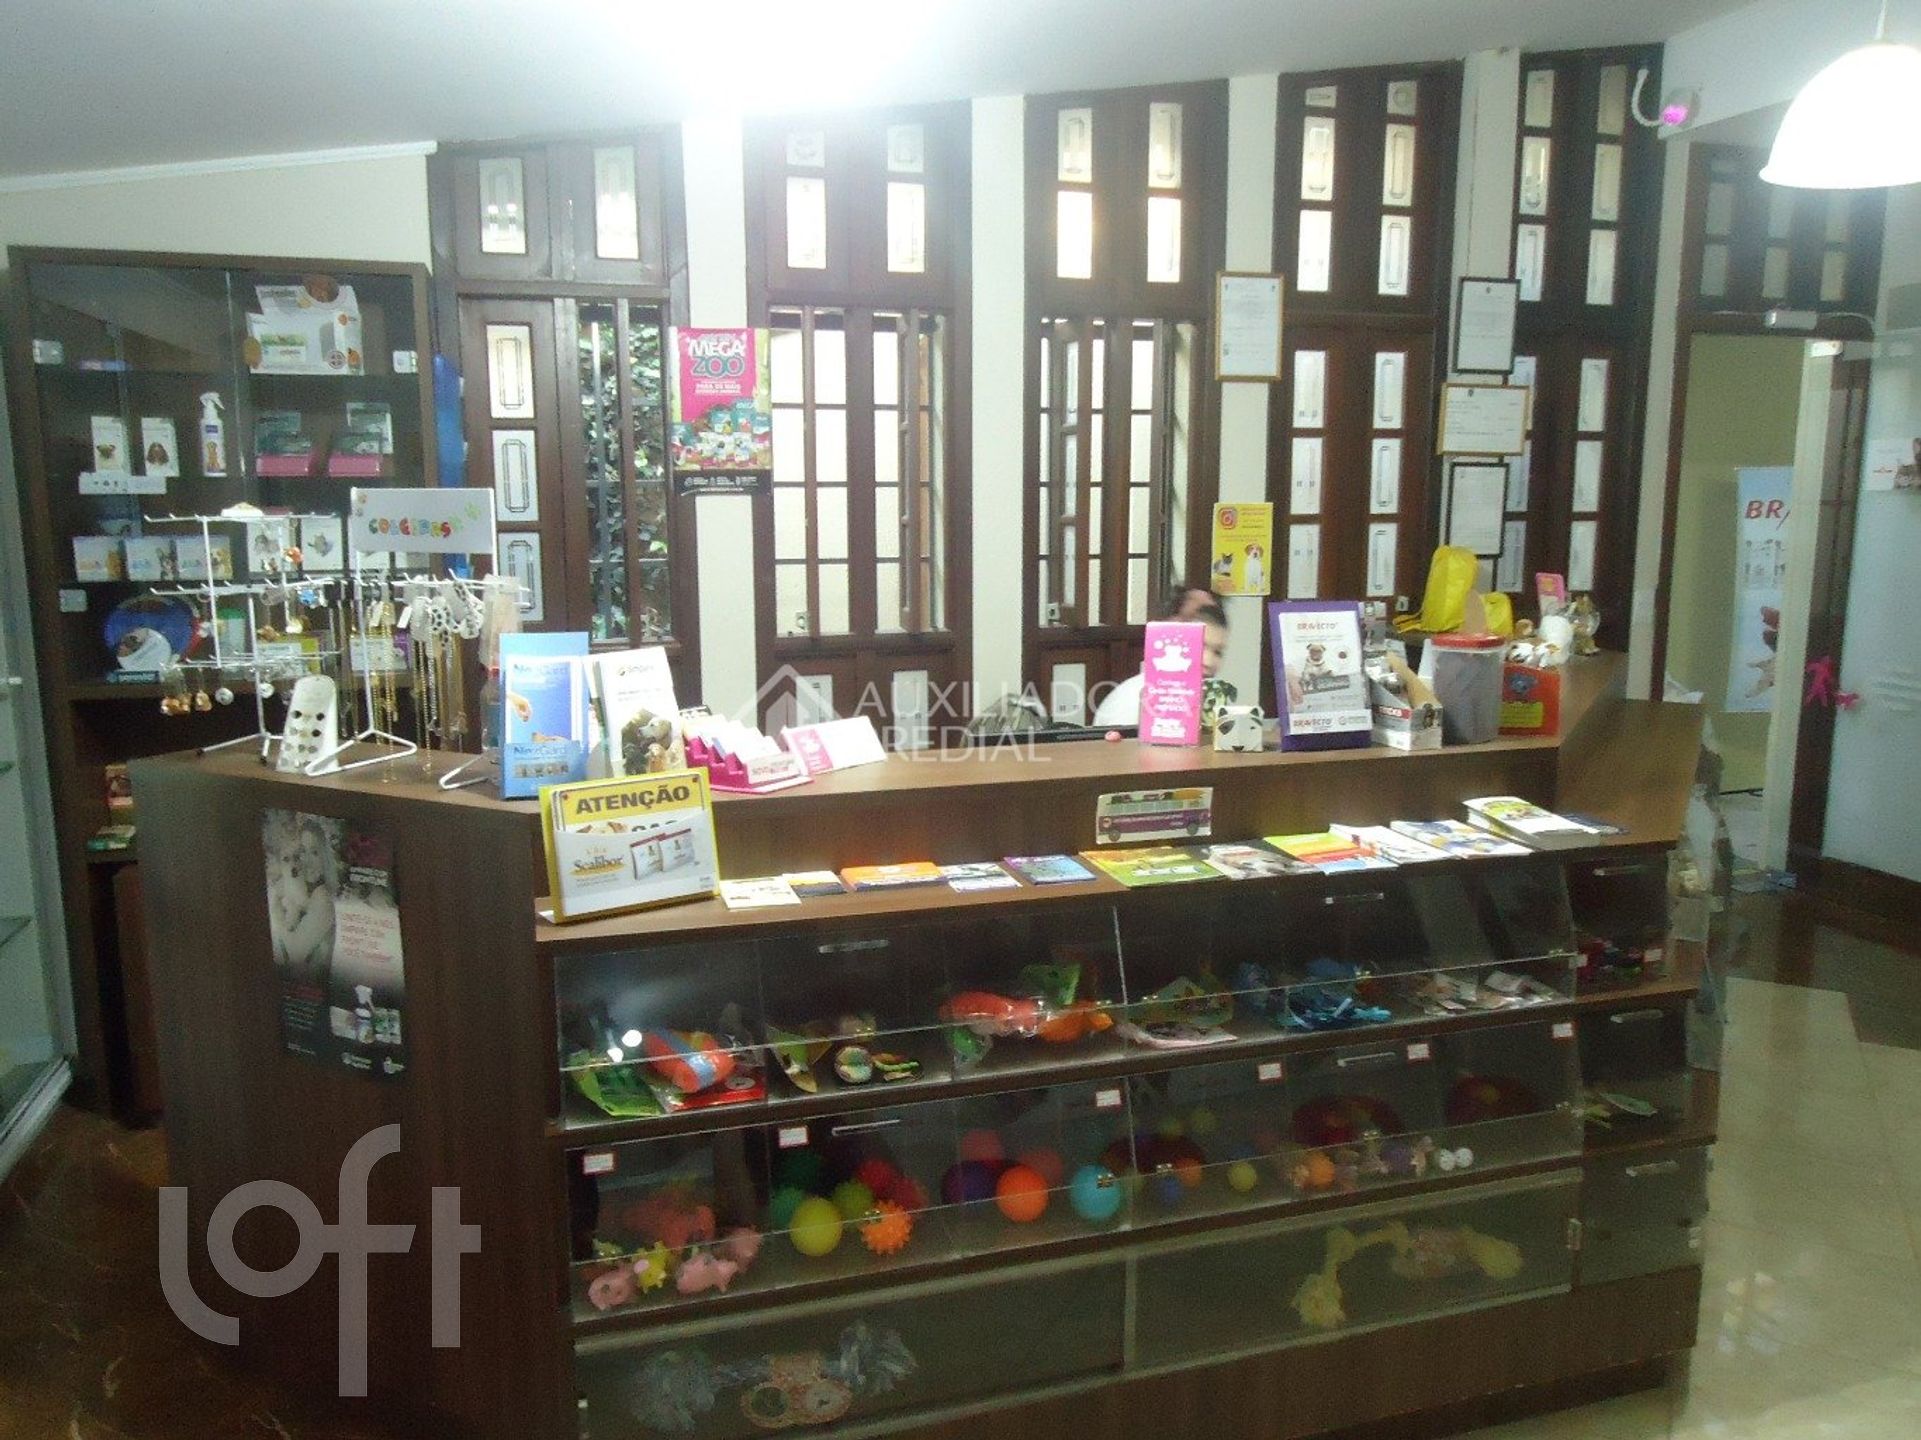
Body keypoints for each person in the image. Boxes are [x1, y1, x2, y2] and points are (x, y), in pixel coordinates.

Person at [1091, 586, 1229, 728]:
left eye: (1218, 652)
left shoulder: (1208, 700)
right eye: (1200, 646)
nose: (1208, 661)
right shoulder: (1134, 699)